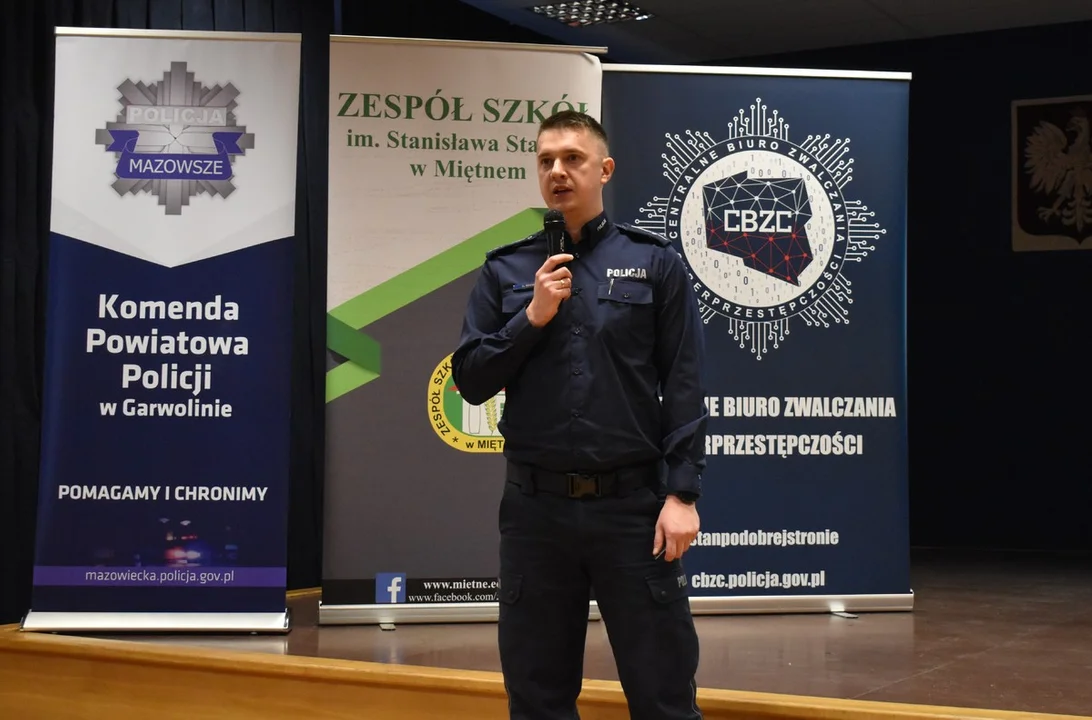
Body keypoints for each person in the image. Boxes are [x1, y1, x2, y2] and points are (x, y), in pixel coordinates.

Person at [451, 110, 708, 720]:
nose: (558, 172)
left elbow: (684, 383)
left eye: (573, 158)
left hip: (633, 510)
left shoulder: (655, 263)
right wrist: (531, 317)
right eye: (546, 161)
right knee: (536, 698)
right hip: (536, 513)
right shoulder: (506, 269)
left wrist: (682, 495)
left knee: (664, 696)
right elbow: (471, 381)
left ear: (605, 169)